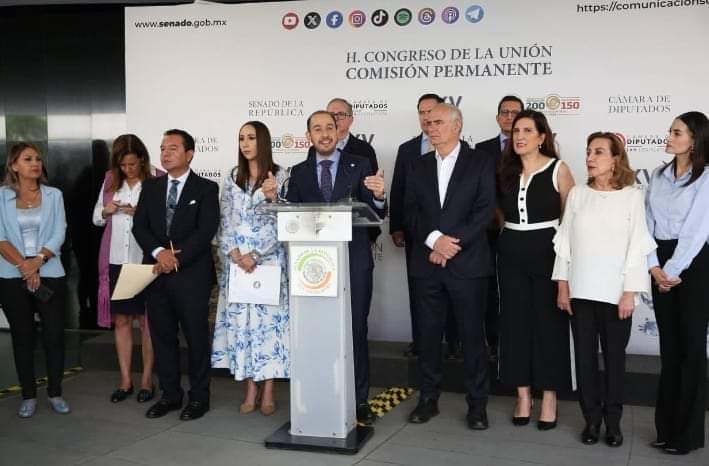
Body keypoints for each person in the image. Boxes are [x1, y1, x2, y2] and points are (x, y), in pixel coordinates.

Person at [553, 132, 655, 447]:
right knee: (584, 361)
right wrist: (563, 286)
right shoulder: (577, 194)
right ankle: (591, 421)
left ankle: (613, 423)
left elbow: (637, 246)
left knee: (614, 362)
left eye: (598, 152)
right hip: (580, 293)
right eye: (588, 151)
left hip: (616, 296)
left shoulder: (632, 196)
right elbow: (564, 243)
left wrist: (630, 292)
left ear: (615, 159)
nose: (590, 158)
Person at [286, 110, 387, 424]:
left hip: (353, 260)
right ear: (309, 136)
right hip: (312, 266)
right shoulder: (298, 172)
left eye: (330, 127)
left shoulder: (360, 164)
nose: (325, 134)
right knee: (315, 330)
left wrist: (379, 196)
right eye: (317, 129)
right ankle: (318, 396)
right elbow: (290, 217)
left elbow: (375, 213)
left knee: (355, 329)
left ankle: (358, 400)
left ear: (339, 130)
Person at [403, 103, 496, 429]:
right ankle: (428, 399)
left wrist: (450, 245)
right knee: (428, 337)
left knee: (472, 337)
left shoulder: (481, 162)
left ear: (458, 126)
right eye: (428, 122)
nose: (431, 127)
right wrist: (434, 240)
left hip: (467, 264)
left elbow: (485, 211)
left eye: (438, 122)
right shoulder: (417, 165)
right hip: (427, 264)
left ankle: (477, 405)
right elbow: (409, 211)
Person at [132, 129, 219, 421]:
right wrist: (160, 253)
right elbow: (140, 226)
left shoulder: (206, 188)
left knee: (196, 338)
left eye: (172, 148)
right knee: (162, 337)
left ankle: (199, 397)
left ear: (189, 154)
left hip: (191, 276)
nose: (165, 153)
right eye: (162, 148)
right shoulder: (151, 187)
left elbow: (205, 230)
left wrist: (175, 258)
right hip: (157, 273)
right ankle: (170, 395)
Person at [496, 109, 575, 430]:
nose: (520, 136)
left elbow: (570, 221)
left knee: (549, 325)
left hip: (548, 254)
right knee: (515, 324)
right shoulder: (505, 171)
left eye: (527, 130)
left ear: (542, 137)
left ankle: (550, 397)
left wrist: (565, 264)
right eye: (516, 131)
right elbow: (499, 215)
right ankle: (523, 395)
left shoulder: (558, 169)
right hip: (511, 254)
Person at [211, 121, 290, 416]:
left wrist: (256, 254)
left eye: (252, 138)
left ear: (264, 141)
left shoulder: (281, 175)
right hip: (236, 262)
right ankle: (249, 388)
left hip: (267, 260)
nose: (245, 143)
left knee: (268, 328)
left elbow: (285, 221)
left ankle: (268, 389)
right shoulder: (233, 176)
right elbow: (224, 219)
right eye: (241, 138)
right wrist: (235, 253)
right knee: (242, 326)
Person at [645, 111, 709, 455]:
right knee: (670, 351)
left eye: (677, 132)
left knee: (692, 350)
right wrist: (654, 266)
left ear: (695, 140)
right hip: (661, 263)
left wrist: (670, 270)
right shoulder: (658, 175)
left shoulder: (707, 177)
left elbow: (697, 231)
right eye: (670, 131)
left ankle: (687, 436)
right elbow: (647, 224)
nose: (668, 137)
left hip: (694, 264)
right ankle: (666, 429)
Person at [0, 142, 69, 418]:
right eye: (27, 159)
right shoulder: (1, 196)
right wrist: (24, 267)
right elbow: (0, 238)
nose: (35, 163)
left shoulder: (54, 195)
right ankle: (28, 395)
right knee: (22, 336)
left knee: (54, 335)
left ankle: (55, 392)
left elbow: (59, 232)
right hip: (11, 275)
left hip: (49, 271)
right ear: (14, 165)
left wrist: (37, 261)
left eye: (38, 159)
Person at [93, 134, 163, 404]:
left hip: (145, 260)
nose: (128, 169)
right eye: (123, 165)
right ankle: (125, 379)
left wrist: (142, 213)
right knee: (121, 320)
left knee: (147, 322)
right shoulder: (111, 180)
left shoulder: (157, 178)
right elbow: (96, 218)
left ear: (142, 159)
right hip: (116, 259)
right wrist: (107, 210)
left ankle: (146, 379)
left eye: (132, 164)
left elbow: (168, 221)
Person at [389, 93, 446, 358]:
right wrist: (396, 226)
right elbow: (398, 190)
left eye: (431, 112)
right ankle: (420, 341)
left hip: (449, 234)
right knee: (418, 289)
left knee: (451, 289)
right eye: (422, 112)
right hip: (416, 231)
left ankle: (452, 343)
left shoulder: (460, 149)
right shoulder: (407, 149)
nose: (426, 118)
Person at [475, 95, 525, 360]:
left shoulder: (530, 147)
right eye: (504, 112)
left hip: (523, 231)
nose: (509, 117)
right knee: (490, 290)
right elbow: (478, 189)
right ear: (497, 118)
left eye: (514, 112)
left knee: (517, 289)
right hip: (488, 231)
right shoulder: (481, 149)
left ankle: (517, 342)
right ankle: (493, 342)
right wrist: (496, 214)